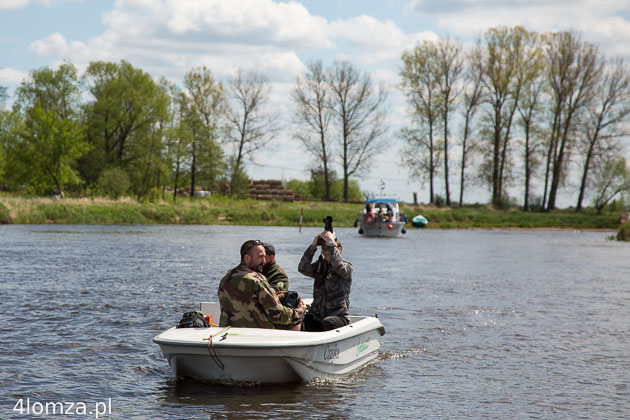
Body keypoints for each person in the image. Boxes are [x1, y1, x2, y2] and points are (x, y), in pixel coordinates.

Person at [218, 239, 306, 330]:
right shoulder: (257, 280)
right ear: (247, 258)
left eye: (264, 257)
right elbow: (277, 314)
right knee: (297, 319)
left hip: (227, 333)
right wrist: (299, 311)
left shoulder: (226, 277)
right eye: (260, 257)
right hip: (258, 336)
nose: (264, 261)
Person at [298, 230, 353, 331]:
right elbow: (302, 268)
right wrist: (313, 245)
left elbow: (338, 265)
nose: (325, 251)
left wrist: (331, 242)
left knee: (328, 322)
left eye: (328, 248)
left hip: (338, 317)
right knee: (301, 319)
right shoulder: (320, 266)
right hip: (317, 316)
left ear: (339, 249)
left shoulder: (347, 267)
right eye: (323, 248)